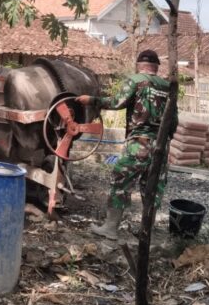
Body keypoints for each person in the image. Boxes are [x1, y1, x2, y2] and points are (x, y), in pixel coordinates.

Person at [76, 49, 177, 240]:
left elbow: (117, 102)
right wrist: (165, 142)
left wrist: (91, 100)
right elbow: (174, 121)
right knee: (153, 188)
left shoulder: (136, 81)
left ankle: (110, 228)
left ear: (139, 65)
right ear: (157, 67)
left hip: (139, 143)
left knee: (121, 181)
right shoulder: (168, 86)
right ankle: (146, 232)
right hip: (161, 146)